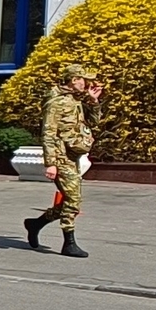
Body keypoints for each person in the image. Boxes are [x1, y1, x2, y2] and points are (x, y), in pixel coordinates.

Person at [25, 64, 101, 258]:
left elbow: (92, 123)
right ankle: (69, 243)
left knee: (69, 199)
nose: (87, 83)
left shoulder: (74, 101)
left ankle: (36, 224)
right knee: (73, 200)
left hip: (72, 156)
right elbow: (48, 134)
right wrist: (50, 163)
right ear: (73, 80)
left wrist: (93, 101)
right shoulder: (56, 103)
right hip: (60, 158)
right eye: (83, 79)